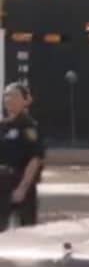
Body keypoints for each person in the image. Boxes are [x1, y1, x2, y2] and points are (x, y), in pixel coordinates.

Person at [0, 82, 45, 228]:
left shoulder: (29, 127)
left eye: (14, 95)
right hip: (2, 185)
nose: (8, 99)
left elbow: (34, 159)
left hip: (21, 185)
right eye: (6, 95)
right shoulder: (2, 126)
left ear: (26, 100)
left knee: (26, 232)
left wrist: (22, 189)